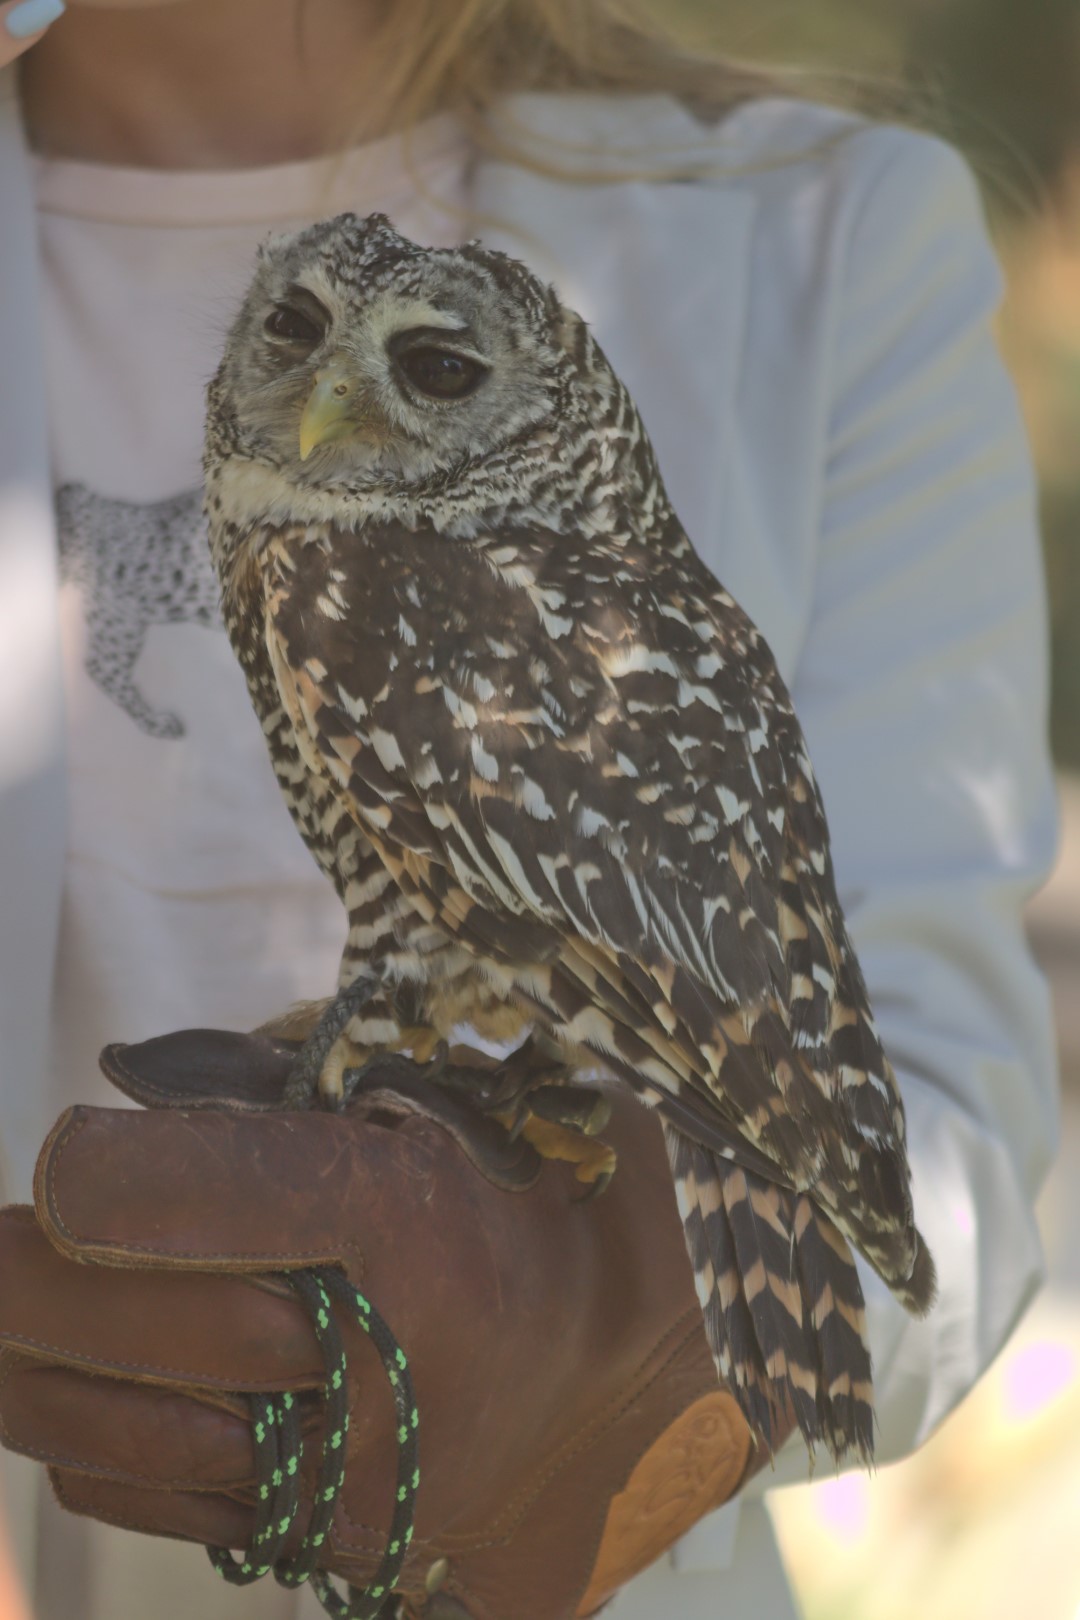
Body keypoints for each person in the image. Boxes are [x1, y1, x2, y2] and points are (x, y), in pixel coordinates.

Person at [0, 0, 1060, 1616]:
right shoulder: (312, 541)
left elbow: (952, 1144)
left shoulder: (821, 234)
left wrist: (607, 1326)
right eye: (288, 345)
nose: (337, 410)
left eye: (429, 375)